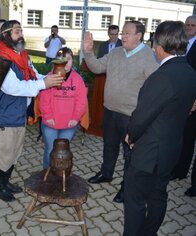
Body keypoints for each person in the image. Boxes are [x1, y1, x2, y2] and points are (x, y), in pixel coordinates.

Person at [123, 20, 196, 236]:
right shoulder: (191, 73)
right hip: (172, 148)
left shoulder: (161, 77)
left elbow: (141, 117)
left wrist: (131, 136)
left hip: (149, 153)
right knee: (158, 195)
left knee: (135, 200)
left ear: (159, 45)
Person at [0, 20, 64, 202]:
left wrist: (49, 78)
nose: (21, 34)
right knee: (1, 153)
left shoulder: (22, 56)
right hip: (2, 115)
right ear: (5, 35)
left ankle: (6, 181)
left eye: (21, 31)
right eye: (17, 31)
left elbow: (34, 75)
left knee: (13, 152)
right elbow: (12, 87)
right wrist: (43, 84)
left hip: (18, 113)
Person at [83, 21, 159, 203]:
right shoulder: (116, 52)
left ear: (139, 36)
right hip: (109, 110)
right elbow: (96, 67)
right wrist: (87, 51)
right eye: (123, 33)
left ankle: (128, 187)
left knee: (129, 154)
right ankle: (106, 173)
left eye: (127, 33)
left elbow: (156, 89)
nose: (123, 36)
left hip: (131, 116)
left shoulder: (150, 57)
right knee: (109, 145)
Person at [39, 47, 87, 169]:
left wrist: (76, 118)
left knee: (62, 152)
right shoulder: (50, 77)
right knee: (50, 150)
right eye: (62, 59)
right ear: (57, 61)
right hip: (51, 123)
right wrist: (48, 116)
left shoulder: (78, 80)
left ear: (73, 61)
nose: (65, 62)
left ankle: (60, 175)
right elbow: (44, 100)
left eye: (68, 59)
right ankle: (47, 173)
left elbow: (81, 101)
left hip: (69, 124)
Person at [171, 15, 196, 197]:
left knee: (191, 140)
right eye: (187, 25)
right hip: (180, 100)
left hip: (194, 102)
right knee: (183, 139)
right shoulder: (180, 44)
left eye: (193, 25)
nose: (189, 28)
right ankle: (180, 171)